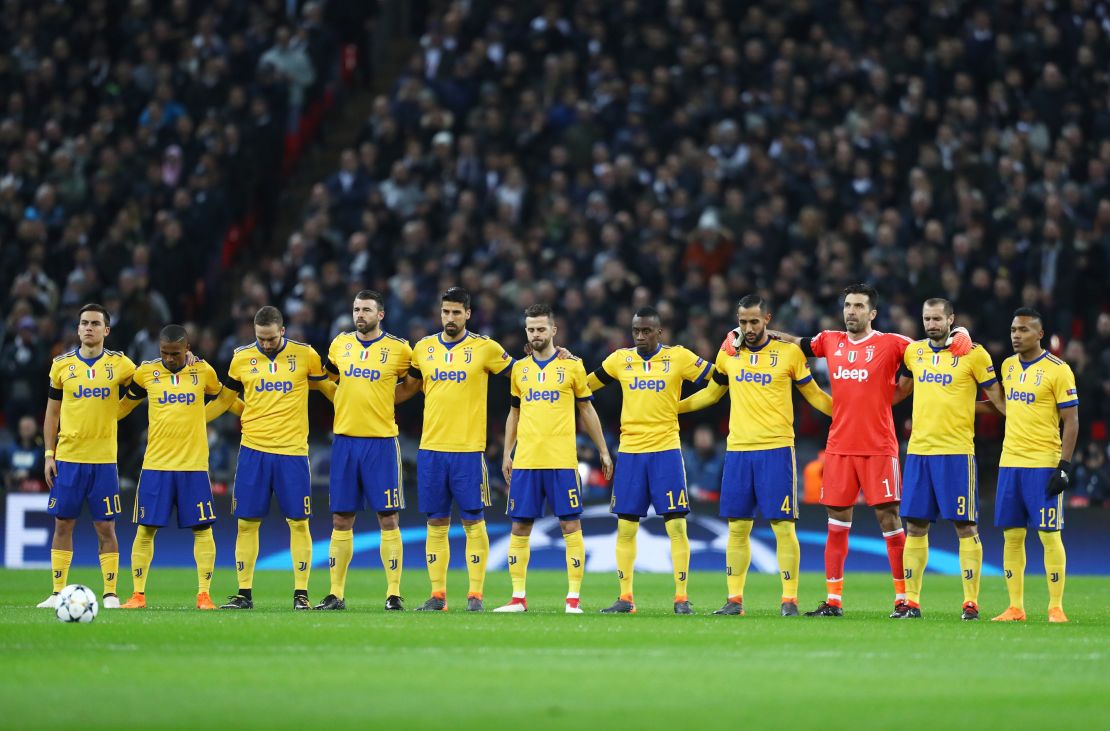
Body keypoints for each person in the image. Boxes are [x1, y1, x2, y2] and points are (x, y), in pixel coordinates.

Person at [742, 284, 972, 617]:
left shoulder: (893, 344)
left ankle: (904, 599)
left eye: (859, 306)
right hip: (839, 447)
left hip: (879, 446)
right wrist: (745, 332)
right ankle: (833, 600)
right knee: (836, 522)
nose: (851, 311)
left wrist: (960, 333)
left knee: (889, 519)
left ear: (872, 313)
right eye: (848, 305)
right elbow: (793, 342)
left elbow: (931, 345)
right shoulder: (829, 340)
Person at [679, 295, 832, 616]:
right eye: (743, 322)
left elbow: (815, 395)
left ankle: (789, 599)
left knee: (782, 526)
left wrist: (847, 413)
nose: (748, 328)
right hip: (737, 452)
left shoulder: (789, 354)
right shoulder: (728, 354)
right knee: (737, 528)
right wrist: (673, 409)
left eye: (754, 321)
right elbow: (711, 392)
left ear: (767, 319)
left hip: (776, 451)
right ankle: (734, 600)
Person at [586, 306, 714, 614]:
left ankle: (681, 597)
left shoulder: (679, 357)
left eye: (646, 331)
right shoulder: (620, 360)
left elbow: (718, 378)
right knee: (626, 528)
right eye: (636, 331)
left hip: (666, 452)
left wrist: (680, 406)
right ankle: (625, 597)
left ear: (659, 333)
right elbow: (585, 386)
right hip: (630, 454)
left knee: (677, 526)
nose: (640, 336)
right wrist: (564, 367)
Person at [208, 306, 334, 610]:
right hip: (253, 451)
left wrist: (354, 404)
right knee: (246, 524)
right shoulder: (241, 358)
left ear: (283, 331)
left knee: (299, 523)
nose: (265, 344)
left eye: (270, 338)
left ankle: (300, 594)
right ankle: (244, 594)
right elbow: (227, 398)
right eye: (260, 338)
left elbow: (326, 386)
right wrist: (196, 419)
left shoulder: (305, 355)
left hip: (292, 453)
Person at [396, 287, 514, 612]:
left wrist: (551, 361)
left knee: (474, 521)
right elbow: (407, 388)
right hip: (431, 449)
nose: (450, 318)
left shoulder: (485, 348)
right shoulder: (423, 349)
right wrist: (367, 396)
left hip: (468, 451)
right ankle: (438, 596)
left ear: (468, 314)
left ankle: (475, 594)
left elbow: (520, 374)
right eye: (446, 312)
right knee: (436, 522)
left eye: (456, 313)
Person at [494, 304, 613, 613]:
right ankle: (518, 598)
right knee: (520, 528)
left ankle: (573, 599)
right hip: (527, 462)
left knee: (570, 527)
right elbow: (514, 413)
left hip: (562, 461)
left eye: (541, 329)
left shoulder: (572, 366)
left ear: (553, 330)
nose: (536, 334)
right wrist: (508, 452)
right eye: (531, 329)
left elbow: (586, 409)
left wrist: (602, 449)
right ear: (526, 332)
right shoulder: (519, 369)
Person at [896, 299, 1006, 620]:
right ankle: (911, 603)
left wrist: (1026, 418)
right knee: (915, 526)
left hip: (956, 454)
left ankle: (970, 603)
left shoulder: (974, 353)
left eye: (937, 318)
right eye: (926, 318)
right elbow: (899, 389)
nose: (931, 324)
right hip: (919, 453)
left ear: (951, 319)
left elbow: (997, 399)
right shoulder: (913, 352)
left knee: (965, 525)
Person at [116, 324, 239, 609]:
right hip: (155, 465)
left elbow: (224, 396)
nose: (169, 358)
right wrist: (98, 417)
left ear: (187, 350)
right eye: (164, 353)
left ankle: (204, 595)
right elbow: (125, 405)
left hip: (193, 466)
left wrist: (249, 413)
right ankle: (137, 595)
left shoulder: (202, 371)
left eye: (175, 354)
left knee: (203, 530)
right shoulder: (146, 372)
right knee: (145, 530)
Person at [315, 290, 413, 611]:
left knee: (388, 517)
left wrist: (387, 400)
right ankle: (336, 593)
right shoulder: (339, 344)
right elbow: (330, 379)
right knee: (341, 518)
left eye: (366, 310)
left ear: (380, 314)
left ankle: (394, 593)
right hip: (344, 442)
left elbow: (413, 384)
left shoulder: (398, 349)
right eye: (356, 309)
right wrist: (344, 400)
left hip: (381, 443)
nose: (360, 314)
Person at [37, 304, 136, 610]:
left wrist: (116, 412)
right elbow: (52, 413)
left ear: (106, 330)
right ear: (77, 329)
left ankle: (110, 593)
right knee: (63, 524)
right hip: (68, 458)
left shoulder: (121, 365)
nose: (88, 327)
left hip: (104, 461)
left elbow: (148, 383)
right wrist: (49, 454)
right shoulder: (61, 366)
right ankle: (56, 592)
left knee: (105, 527)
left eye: (95, 323)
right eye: (84, 323)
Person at [991, 308, 1078, 623]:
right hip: (1009, 462)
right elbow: (1003, 406)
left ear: (1040, 335)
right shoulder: (1008, 367)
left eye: (1024, 330)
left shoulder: (1058, 370)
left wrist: (1064, 466)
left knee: (1048, 534)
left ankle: (1056, 606)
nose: (1016, 335)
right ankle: (1016, 607)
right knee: (1011, 536)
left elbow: (1071, 420)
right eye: (1013, 329)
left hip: (1043, 463)